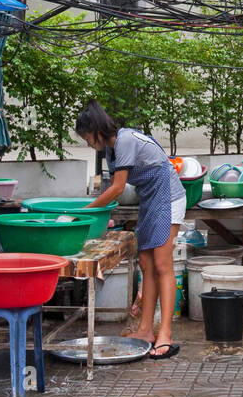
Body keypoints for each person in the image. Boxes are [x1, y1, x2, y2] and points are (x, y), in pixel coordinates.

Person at [75, 100, 186, 360]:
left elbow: (116, 188)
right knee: (146, 263)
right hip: (151, 201)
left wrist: (84, 212)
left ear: (96, 129)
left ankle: (166, 335)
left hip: (169, 198)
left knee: (162, 265)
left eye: (87, 136)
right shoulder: (110, 150)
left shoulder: (124, 140)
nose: (88, 142)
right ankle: (146, 330)